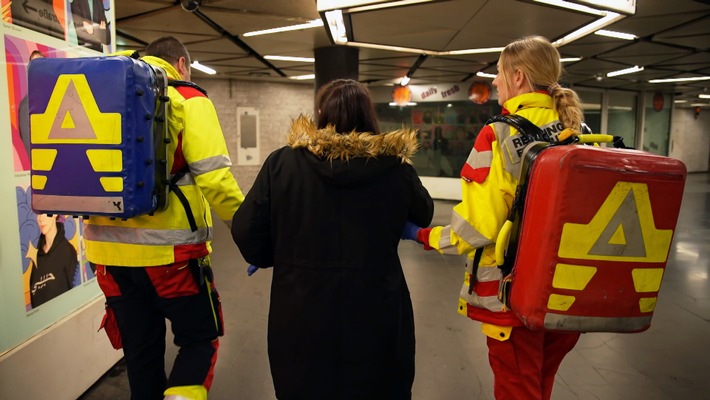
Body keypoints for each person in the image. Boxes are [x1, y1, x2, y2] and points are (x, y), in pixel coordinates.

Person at [404, 35, 584, 400]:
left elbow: (475, 228)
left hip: (514, 295)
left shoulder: (498, 135)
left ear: (518, 77)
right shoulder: (575, 133)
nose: (495, 82)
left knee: (518, 390)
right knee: (538, 387)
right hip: (567, 293)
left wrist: (422, 236)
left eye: (499, 74)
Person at [231, 79, 434, 400]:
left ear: (321, 113)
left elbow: (246, 230)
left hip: (300, 310)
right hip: (375, 308)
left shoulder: (282, 164)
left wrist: (275, 254)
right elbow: (424, 214)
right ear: (368, 116)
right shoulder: (395, 168)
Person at [84, 36, 245, 400]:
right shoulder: (188, 100)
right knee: (199, 341)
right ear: (183, 64)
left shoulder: (100, 95)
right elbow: (215, 179)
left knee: (141, 355)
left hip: (108, 261)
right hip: (171, 258)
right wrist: (250, 231)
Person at [29, 214, 79, 307]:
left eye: (44, 213)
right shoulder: (37, 258)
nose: (40, 219)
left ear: (54, 214)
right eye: (38, 214)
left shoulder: (67, 251)